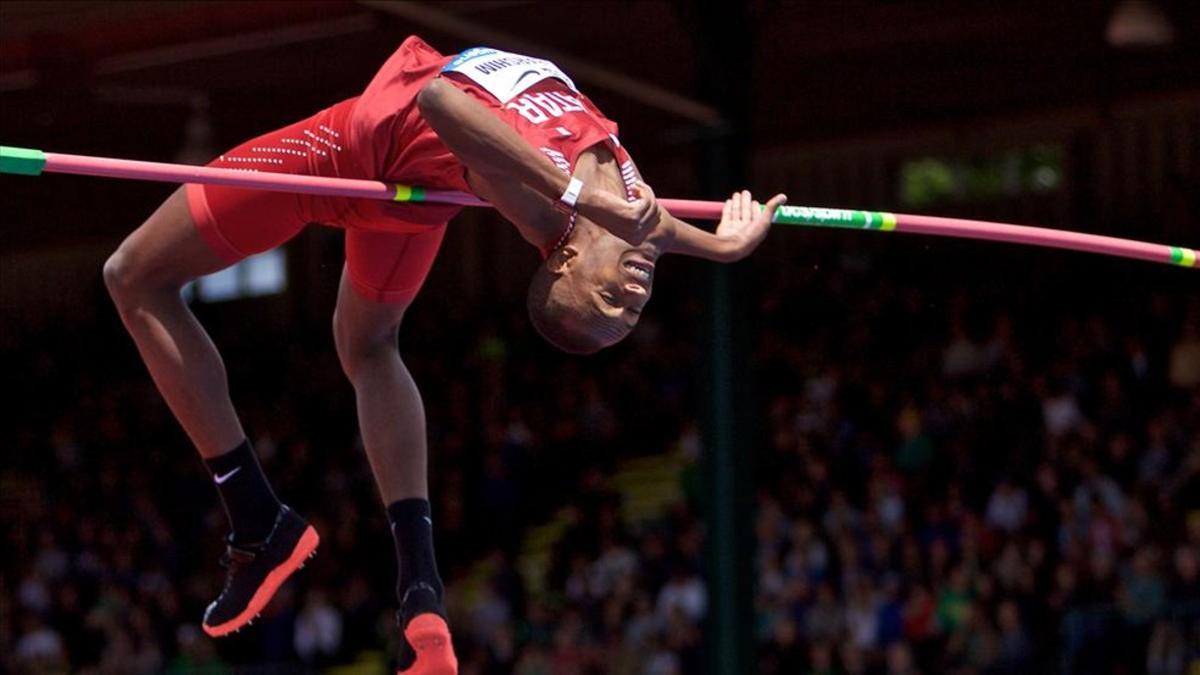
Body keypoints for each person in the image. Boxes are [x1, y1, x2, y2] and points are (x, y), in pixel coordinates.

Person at [101, 35, 784, 674]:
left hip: (350, 154)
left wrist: (575, 191)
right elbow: (657, 225)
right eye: (626, 310)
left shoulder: (552, 205)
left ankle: (256, 517)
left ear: (566, 257)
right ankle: (421, 590)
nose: (634, 298)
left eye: (611, 303)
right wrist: (727, 244)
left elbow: (437, 101)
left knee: (133, 276)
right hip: (418, 197)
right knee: (368, 344)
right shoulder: (630, 210)